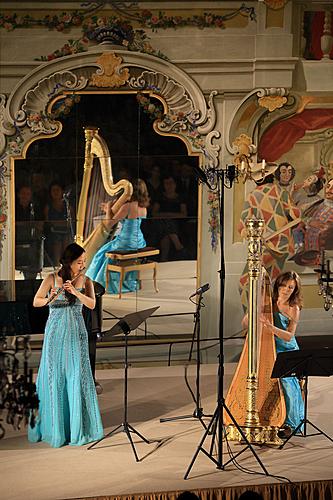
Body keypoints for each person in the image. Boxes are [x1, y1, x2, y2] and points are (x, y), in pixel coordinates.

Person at [28, 243, 104, 447]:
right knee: (55, 375)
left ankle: (78, 427)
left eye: (84, 262)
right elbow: (36, 301)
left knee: (77, 374)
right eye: (79, 262)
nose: (82, 265)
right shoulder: (52, 278)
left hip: (76, 333)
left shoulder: (86, 280)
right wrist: (50, 298)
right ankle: (56, 430)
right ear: (69, 261)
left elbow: (92, 304)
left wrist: (76, 292)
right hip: (55, 333)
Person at [238, 163, 301, 310]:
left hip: (267, 246)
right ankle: (268, 322)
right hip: (283, 246)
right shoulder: (281, 192)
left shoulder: (253, 196)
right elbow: (296, 215)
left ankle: (253, 323)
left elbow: (242, 227)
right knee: (270, 284)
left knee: (244, 283)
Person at [85, 178, 149, 294]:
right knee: (109, 248)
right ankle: (127, 282)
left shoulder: (128, 207)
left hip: (126, 241)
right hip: (139, 241)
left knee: (102, 252)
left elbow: (109, 223)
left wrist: (109, 208)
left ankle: (100, 283)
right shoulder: (143, 208)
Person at [261, 271, 305, 438]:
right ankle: (269, 416)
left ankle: (291, 423)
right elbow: (245, 322)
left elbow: (289, 336)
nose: (286, 289)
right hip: (270, 348)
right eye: (283, 285)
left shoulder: (294, 308)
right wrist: (252, 314)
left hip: (287, 350)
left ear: (295, 290)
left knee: (287, 381)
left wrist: (271, 328)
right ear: (277, 285)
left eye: (291, 287)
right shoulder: (269, 304)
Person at [152, 175, 187, 261]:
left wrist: (167, 215)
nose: (169, 185)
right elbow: (154, 213)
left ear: (175, 184)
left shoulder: (180, 197)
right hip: (160, 223)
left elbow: (184, 214)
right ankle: (179, 247)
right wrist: (169, 215)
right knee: (166, 223)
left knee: (167, 234)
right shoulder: (160, 197)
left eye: (171, 183)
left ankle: (164, 259)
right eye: (166, 183)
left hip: (177, 224)